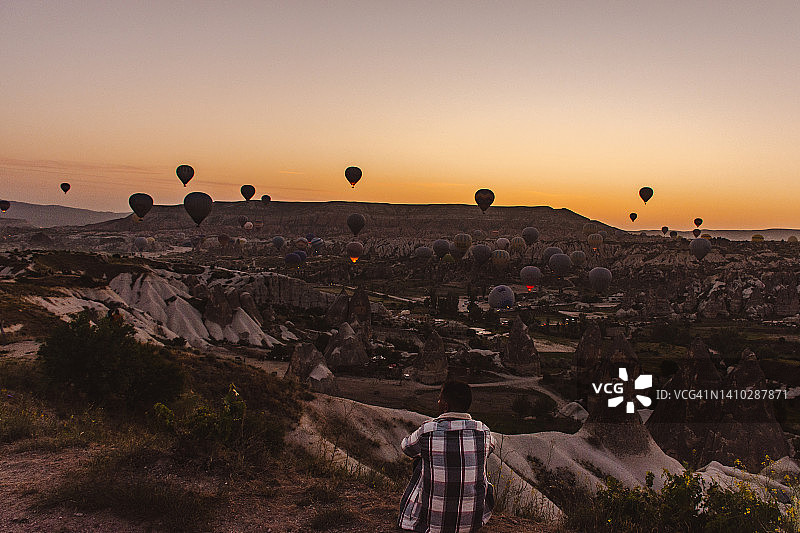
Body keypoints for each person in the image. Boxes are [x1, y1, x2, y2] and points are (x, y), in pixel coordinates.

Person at [398, 380, 495, 532]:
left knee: (420, 460)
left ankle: (421, 514)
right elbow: (491, 448)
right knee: (477, 460)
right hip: (472, 523)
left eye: (439, 398)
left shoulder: (427, 430)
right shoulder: (483, 431)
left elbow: (406, 447)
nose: (438, 401)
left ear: (445, 406)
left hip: (434, 525)